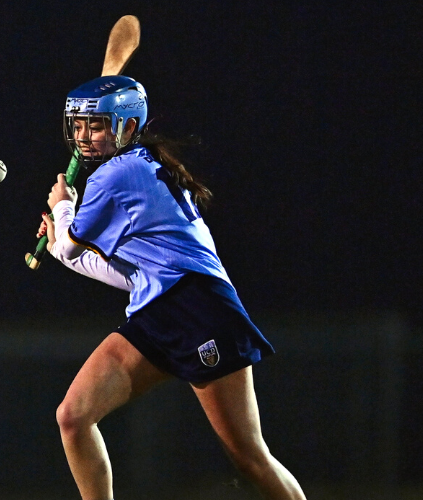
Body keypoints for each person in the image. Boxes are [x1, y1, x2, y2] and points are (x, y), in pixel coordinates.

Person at [37, 76, 307, 500]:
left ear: (128, 127)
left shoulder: (116, 174)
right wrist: (58, 243)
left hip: (199, 308)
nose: (84, 137)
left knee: (250, 458)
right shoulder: (135, 166)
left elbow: (73, 243)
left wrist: (62, 206)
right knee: (74, 416)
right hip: (156, 308)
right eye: (79, 125)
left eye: (97, 125)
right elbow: (126, 273)